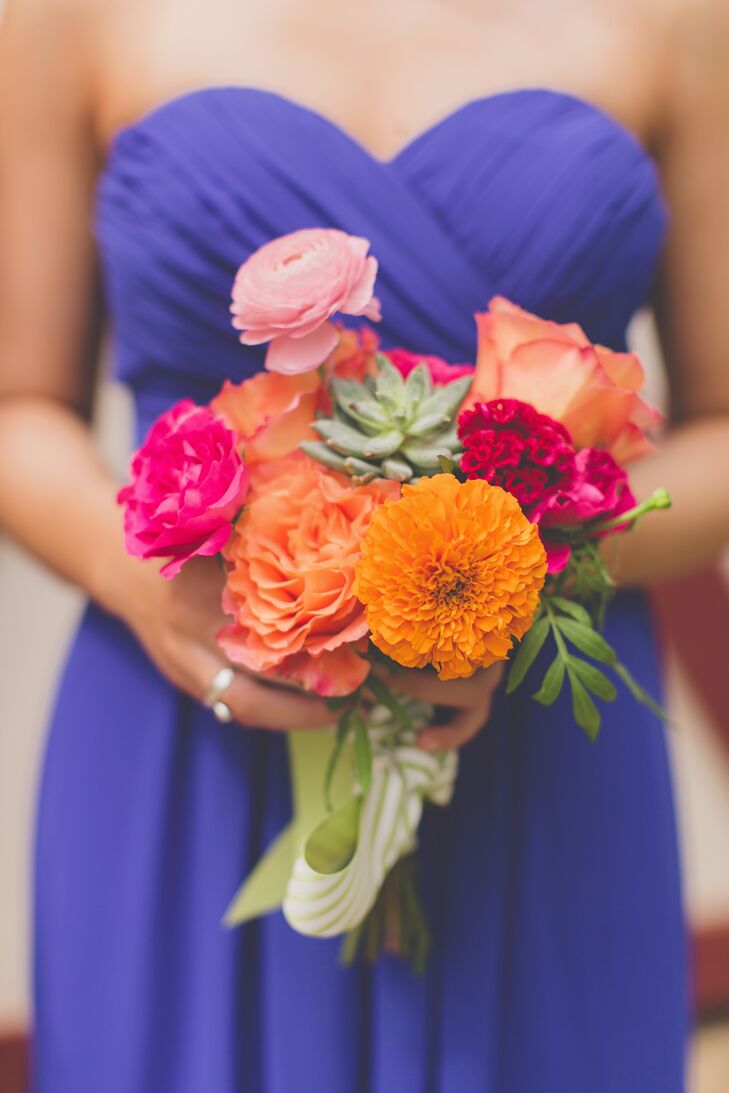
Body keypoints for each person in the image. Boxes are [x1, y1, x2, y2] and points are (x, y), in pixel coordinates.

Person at [1, 0, 728, 1089]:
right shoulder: (59, 16)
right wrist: (142, 580)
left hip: (536, 743)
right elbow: (18, 405)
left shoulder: (687, 20)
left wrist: (495, 569)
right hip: (188, 719)